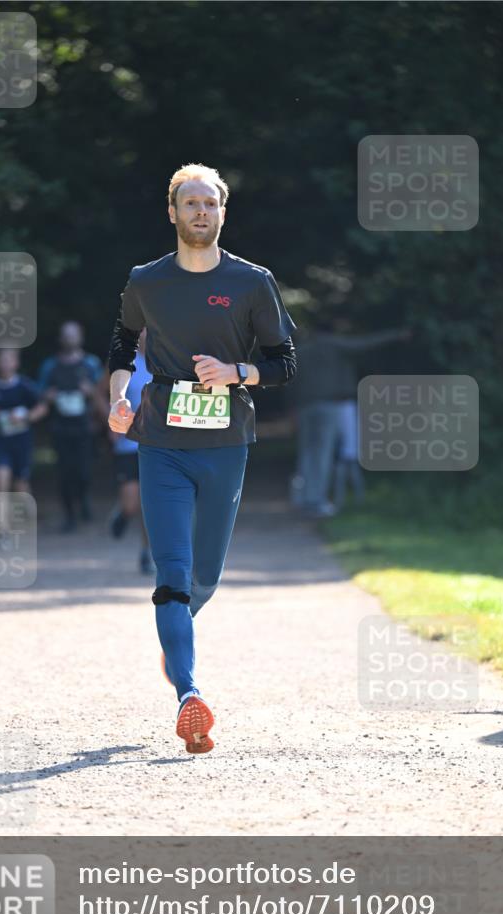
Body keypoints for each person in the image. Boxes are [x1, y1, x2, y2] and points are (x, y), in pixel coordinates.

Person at [107, 162, 297, 754]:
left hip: (225, 445)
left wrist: (237, 371)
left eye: (209, 203)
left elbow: (285, 362)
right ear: (172, 212)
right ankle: (189, 693)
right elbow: (119, 342)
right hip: (161, 442)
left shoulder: (251, 282)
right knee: (171, 574)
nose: (199, 212)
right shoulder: (146, 280)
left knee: (203, 577)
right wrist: (119, 395)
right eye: (189, 203)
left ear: (222, 212)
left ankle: (176, 638)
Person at [290, 325, 411, 516]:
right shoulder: (335, 345)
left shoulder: (301, 350)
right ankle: (315, 501)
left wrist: (292, 409)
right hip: (329, 405)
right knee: (323, 453)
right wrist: (396, 334)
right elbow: (366, 344)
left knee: (306, 453)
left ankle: (302, 498)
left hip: (304, 407)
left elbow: (290, 380)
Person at [96, 328, 154, 574]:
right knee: (133, 504)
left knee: (150, 504)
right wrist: (110, 418)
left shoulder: (167, 360)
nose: (147, 334)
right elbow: (98, 394)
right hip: (127, 444)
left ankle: (146, 553)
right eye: (143, 329)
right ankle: (122, 512)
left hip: (156, 445)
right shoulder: (124, 362)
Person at [37, 321, 103, 533]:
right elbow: (39, 394)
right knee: (65, 474)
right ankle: (69, 516)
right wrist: (48, 396)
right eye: (66, 335)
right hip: (60, 427)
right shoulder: (50, 366)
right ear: (60, 338)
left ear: (80, 337)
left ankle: (83, 499)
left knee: (83, 472)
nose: (69, 339)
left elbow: (103, 393)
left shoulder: (91, 364)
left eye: (73, 335)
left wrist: (90, 392)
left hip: (84, 427)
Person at [0, 347, 47, 542]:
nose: (5, 364)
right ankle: (3, 531)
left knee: (20, 487)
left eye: (8, 360)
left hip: (22, 443)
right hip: (1, 444)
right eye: (1, 360)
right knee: (0, 484)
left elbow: (42, 407)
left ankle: (30, 516)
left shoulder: (25, 386)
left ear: (15, 363)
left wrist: (25, 417)